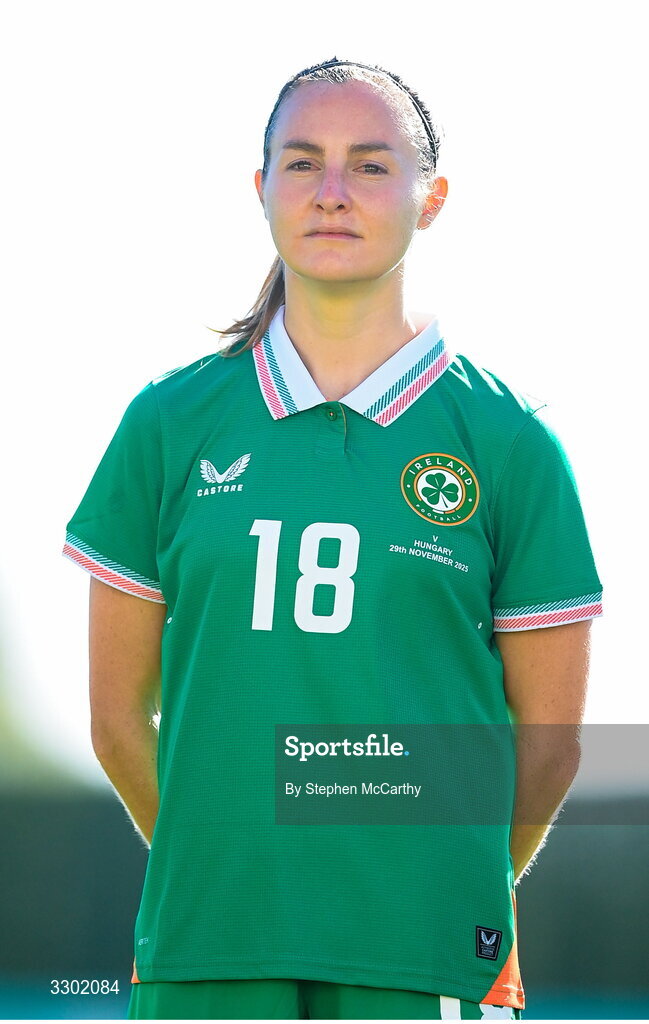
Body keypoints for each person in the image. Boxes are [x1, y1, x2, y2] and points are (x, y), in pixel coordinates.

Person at [61, 56, 603, 1021]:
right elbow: (114, 719)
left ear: (430, 200)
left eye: (370, 164)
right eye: (303, 162)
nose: (333, 193)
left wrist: (452, 879)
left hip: (423, 949)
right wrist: (222, 858)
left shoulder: (511, 442)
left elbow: (550, 747)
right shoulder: (168, 424)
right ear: (260, 189)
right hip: (209, 943)